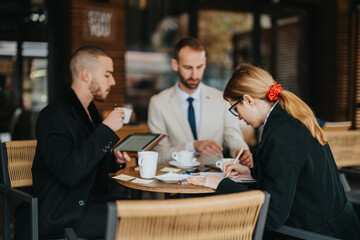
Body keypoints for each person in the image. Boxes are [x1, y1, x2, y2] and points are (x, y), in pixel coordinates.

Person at [188, 64, 360, 239]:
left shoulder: (282, 136)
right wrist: (252, 172)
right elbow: (293, 176)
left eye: (235, 109)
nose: (238, 117)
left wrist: (220, 184)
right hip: (337, 226)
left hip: (315, 234)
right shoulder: (289, 118)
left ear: (248, 100)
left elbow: (271, 216)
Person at [14, 46, 131, 239]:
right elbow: (69, 172)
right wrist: (105, 131)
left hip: (89, 201)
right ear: (86, 75)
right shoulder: (52, 116)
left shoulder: (91, 112)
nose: (113, 81)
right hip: (61, 211)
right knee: (143, 218)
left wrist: (113, 161)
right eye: (107, 75)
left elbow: (87, 163)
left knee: (146, 209)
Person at [148, 37, 252, 165]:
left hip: (214, 177)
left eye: (199, 67)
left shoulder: (222, 99)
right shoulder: (158, 103)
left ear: (205, 62)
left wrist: (241, 152)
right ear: (175, 65)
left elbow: (234, 139)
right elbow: (159, 154)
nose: (194, 75)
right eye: (188, 67)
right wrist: (192, 146)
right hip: (174, 180)